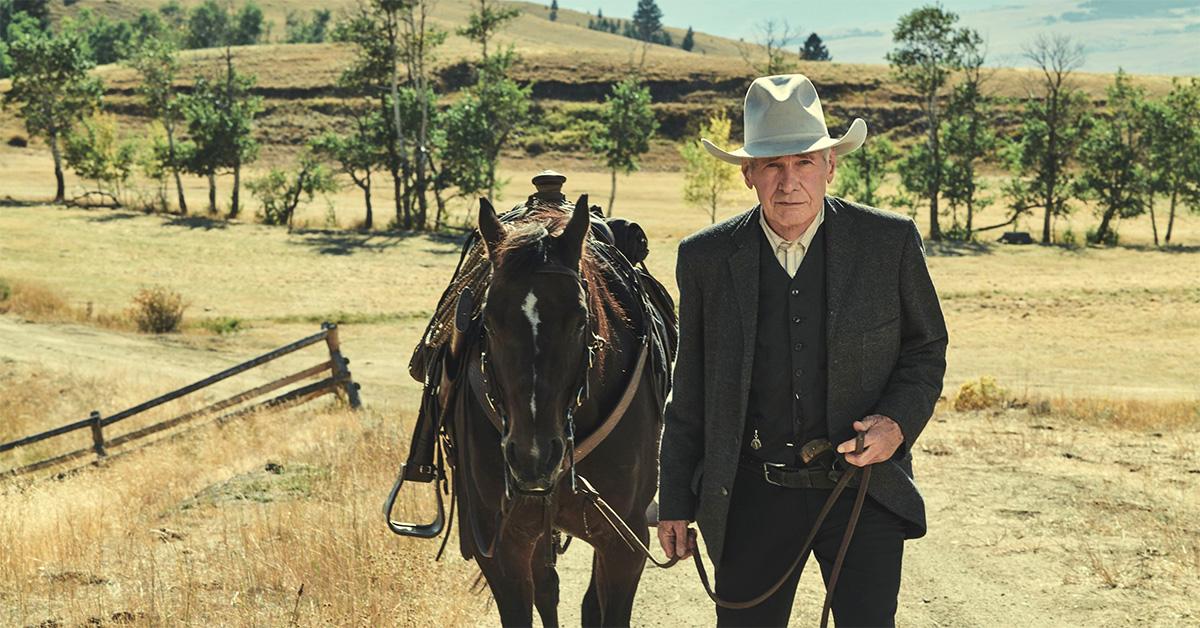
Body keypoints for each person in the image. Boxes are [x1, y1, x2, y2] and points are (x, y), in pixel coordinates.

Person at [657, 74, 948, 627]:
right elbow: (689, 385)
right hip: (751, 497)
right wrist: (674, 498)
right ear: (748, 173)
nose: (789, 181)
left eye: (805, 162)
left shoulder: (888, 242)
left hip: (863, 492)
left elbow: (926, 348)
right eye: (772, 165)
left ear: (831, 166)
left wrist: (896, 424)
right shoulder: (706, 259)